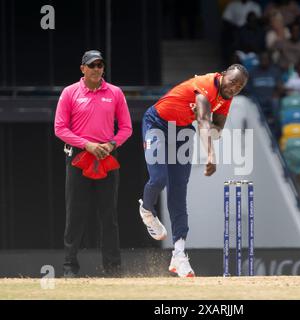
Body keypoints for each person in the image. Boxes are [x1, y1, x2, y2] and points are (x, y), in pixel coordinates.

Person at [139, 64, 248, 277]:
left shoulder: (226, 98)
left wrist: (215, 131)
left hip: (182, 132)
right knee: (159, 178)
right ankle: (147, 210)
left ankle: (179, 255)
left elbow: (216, 127)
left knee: (179, 191)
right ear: (223, 74)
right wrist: (210, 153)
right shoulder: (205, 85)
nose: (234, 88)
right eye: (232, 81)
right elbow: (204, 121)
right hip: (157, 123)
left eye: (240, 86)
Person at [54, 50, 133, 278]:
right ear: (83, 69)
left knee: (109, 215)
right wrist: (87, 145)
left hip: (106, 156)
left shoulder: (115, 93)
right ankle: (70, 267)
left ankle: (113, 268)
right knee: (75, 214)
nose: (97, 69)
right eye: (92, 65)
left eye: (100, 65)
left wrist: (110, 145)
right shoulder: (70, 92)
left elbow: (126, 128)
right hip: (79, 157)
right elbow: (60, 128)